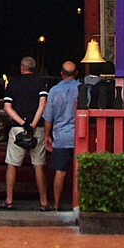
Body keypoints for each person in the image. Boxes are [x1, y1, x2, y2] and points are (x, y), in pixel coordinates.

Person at [0, 56, 49, 210]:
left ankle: (9, 200)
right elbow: (43, 104)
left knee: (12, 164)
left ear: (22, 68)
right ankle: (44, 202)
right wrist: (33, 124)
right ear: (35, 68)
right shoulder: (41, 83)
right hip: (37, 128)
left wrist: (23, 123)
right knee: (39, 165)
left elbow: (7, 107)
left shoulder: (13, 83)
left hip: (17, 128)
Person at [43, 60, 80, 210]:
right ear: (76, 73)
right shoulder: (82, 89)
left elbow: (48, 117)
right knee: (80, 170)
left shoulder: (53, 91)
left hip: (61, 136)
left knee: (60, 171)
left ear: (61, 74)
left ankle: (57, 204)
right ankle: (78, 204)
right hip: (79, 136)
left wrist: (47, 136)